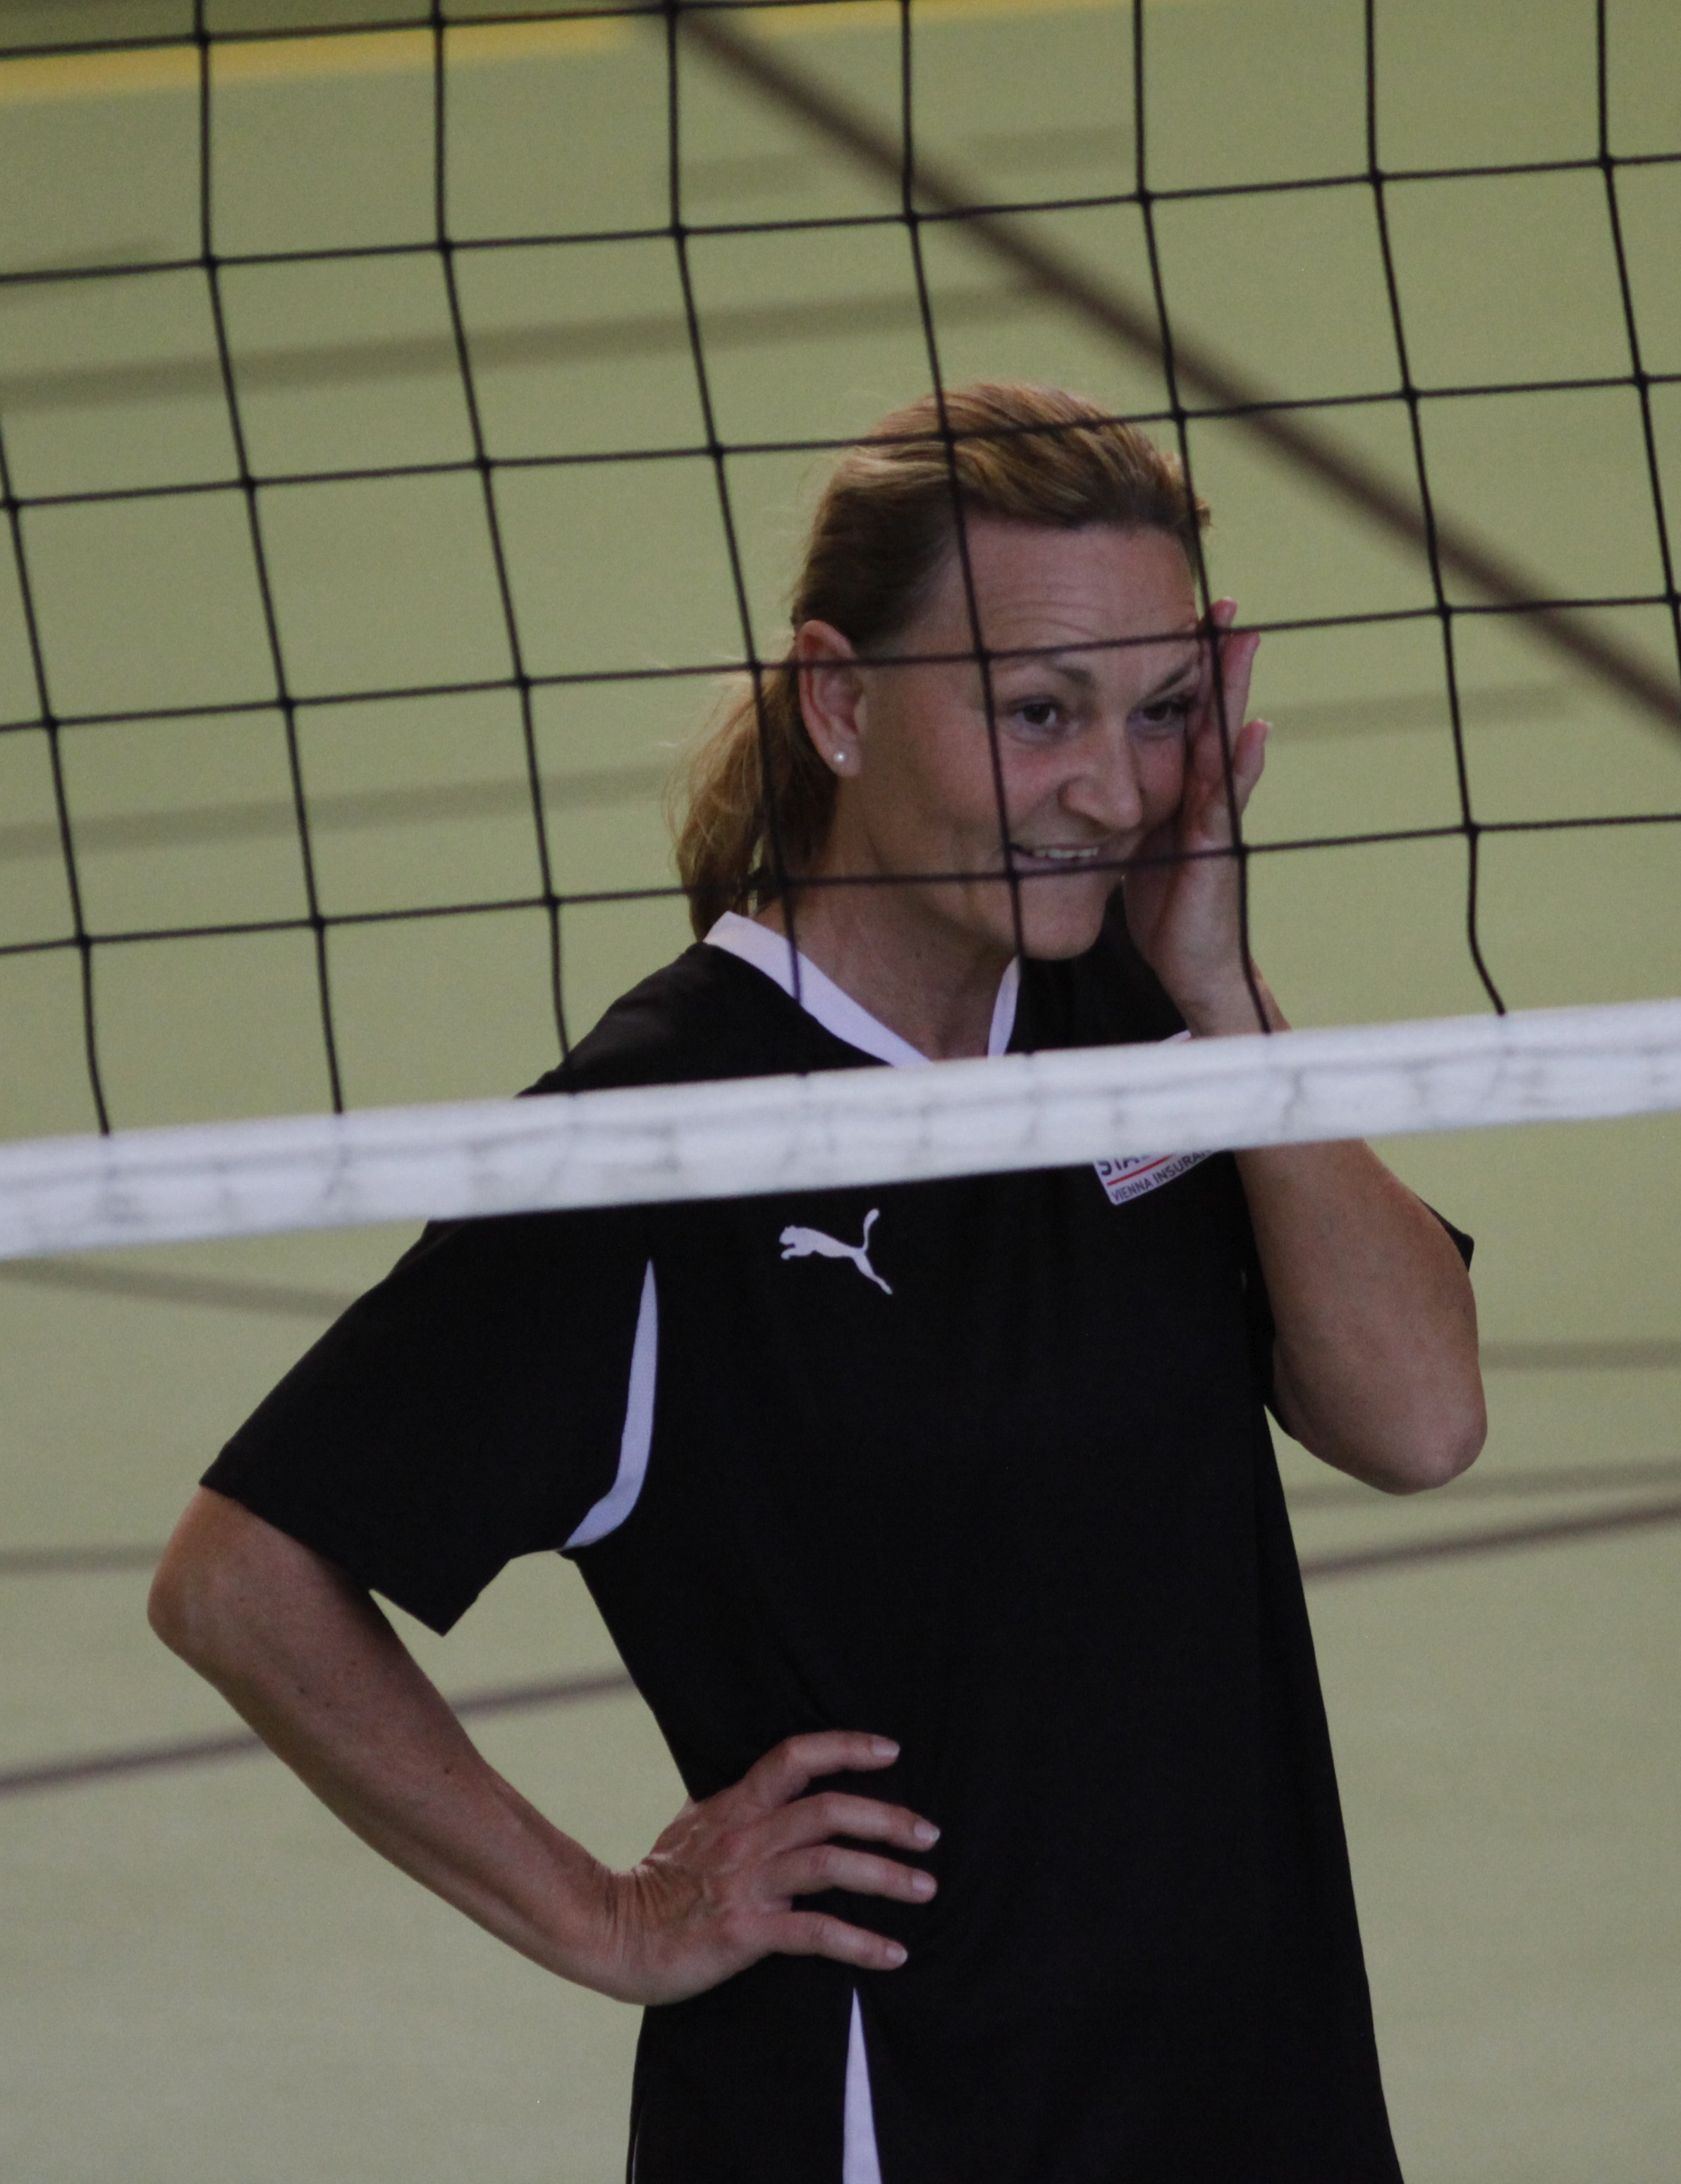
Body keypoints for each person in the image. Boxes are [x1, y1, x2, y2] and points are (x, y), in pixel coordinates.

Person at [149, 382, 1485, 2183]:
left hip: (1258, 2095)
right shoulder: (664, 1138)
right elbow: (239, 1579)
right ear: (840, 703)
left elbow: (1418, 1421)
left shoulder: (1141, 1014)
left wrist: (1227, 1001)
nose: (1114, 789)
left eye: (1164, 710)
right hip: (905, 2118)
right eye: (1038, 710)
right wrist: (608, 1914)